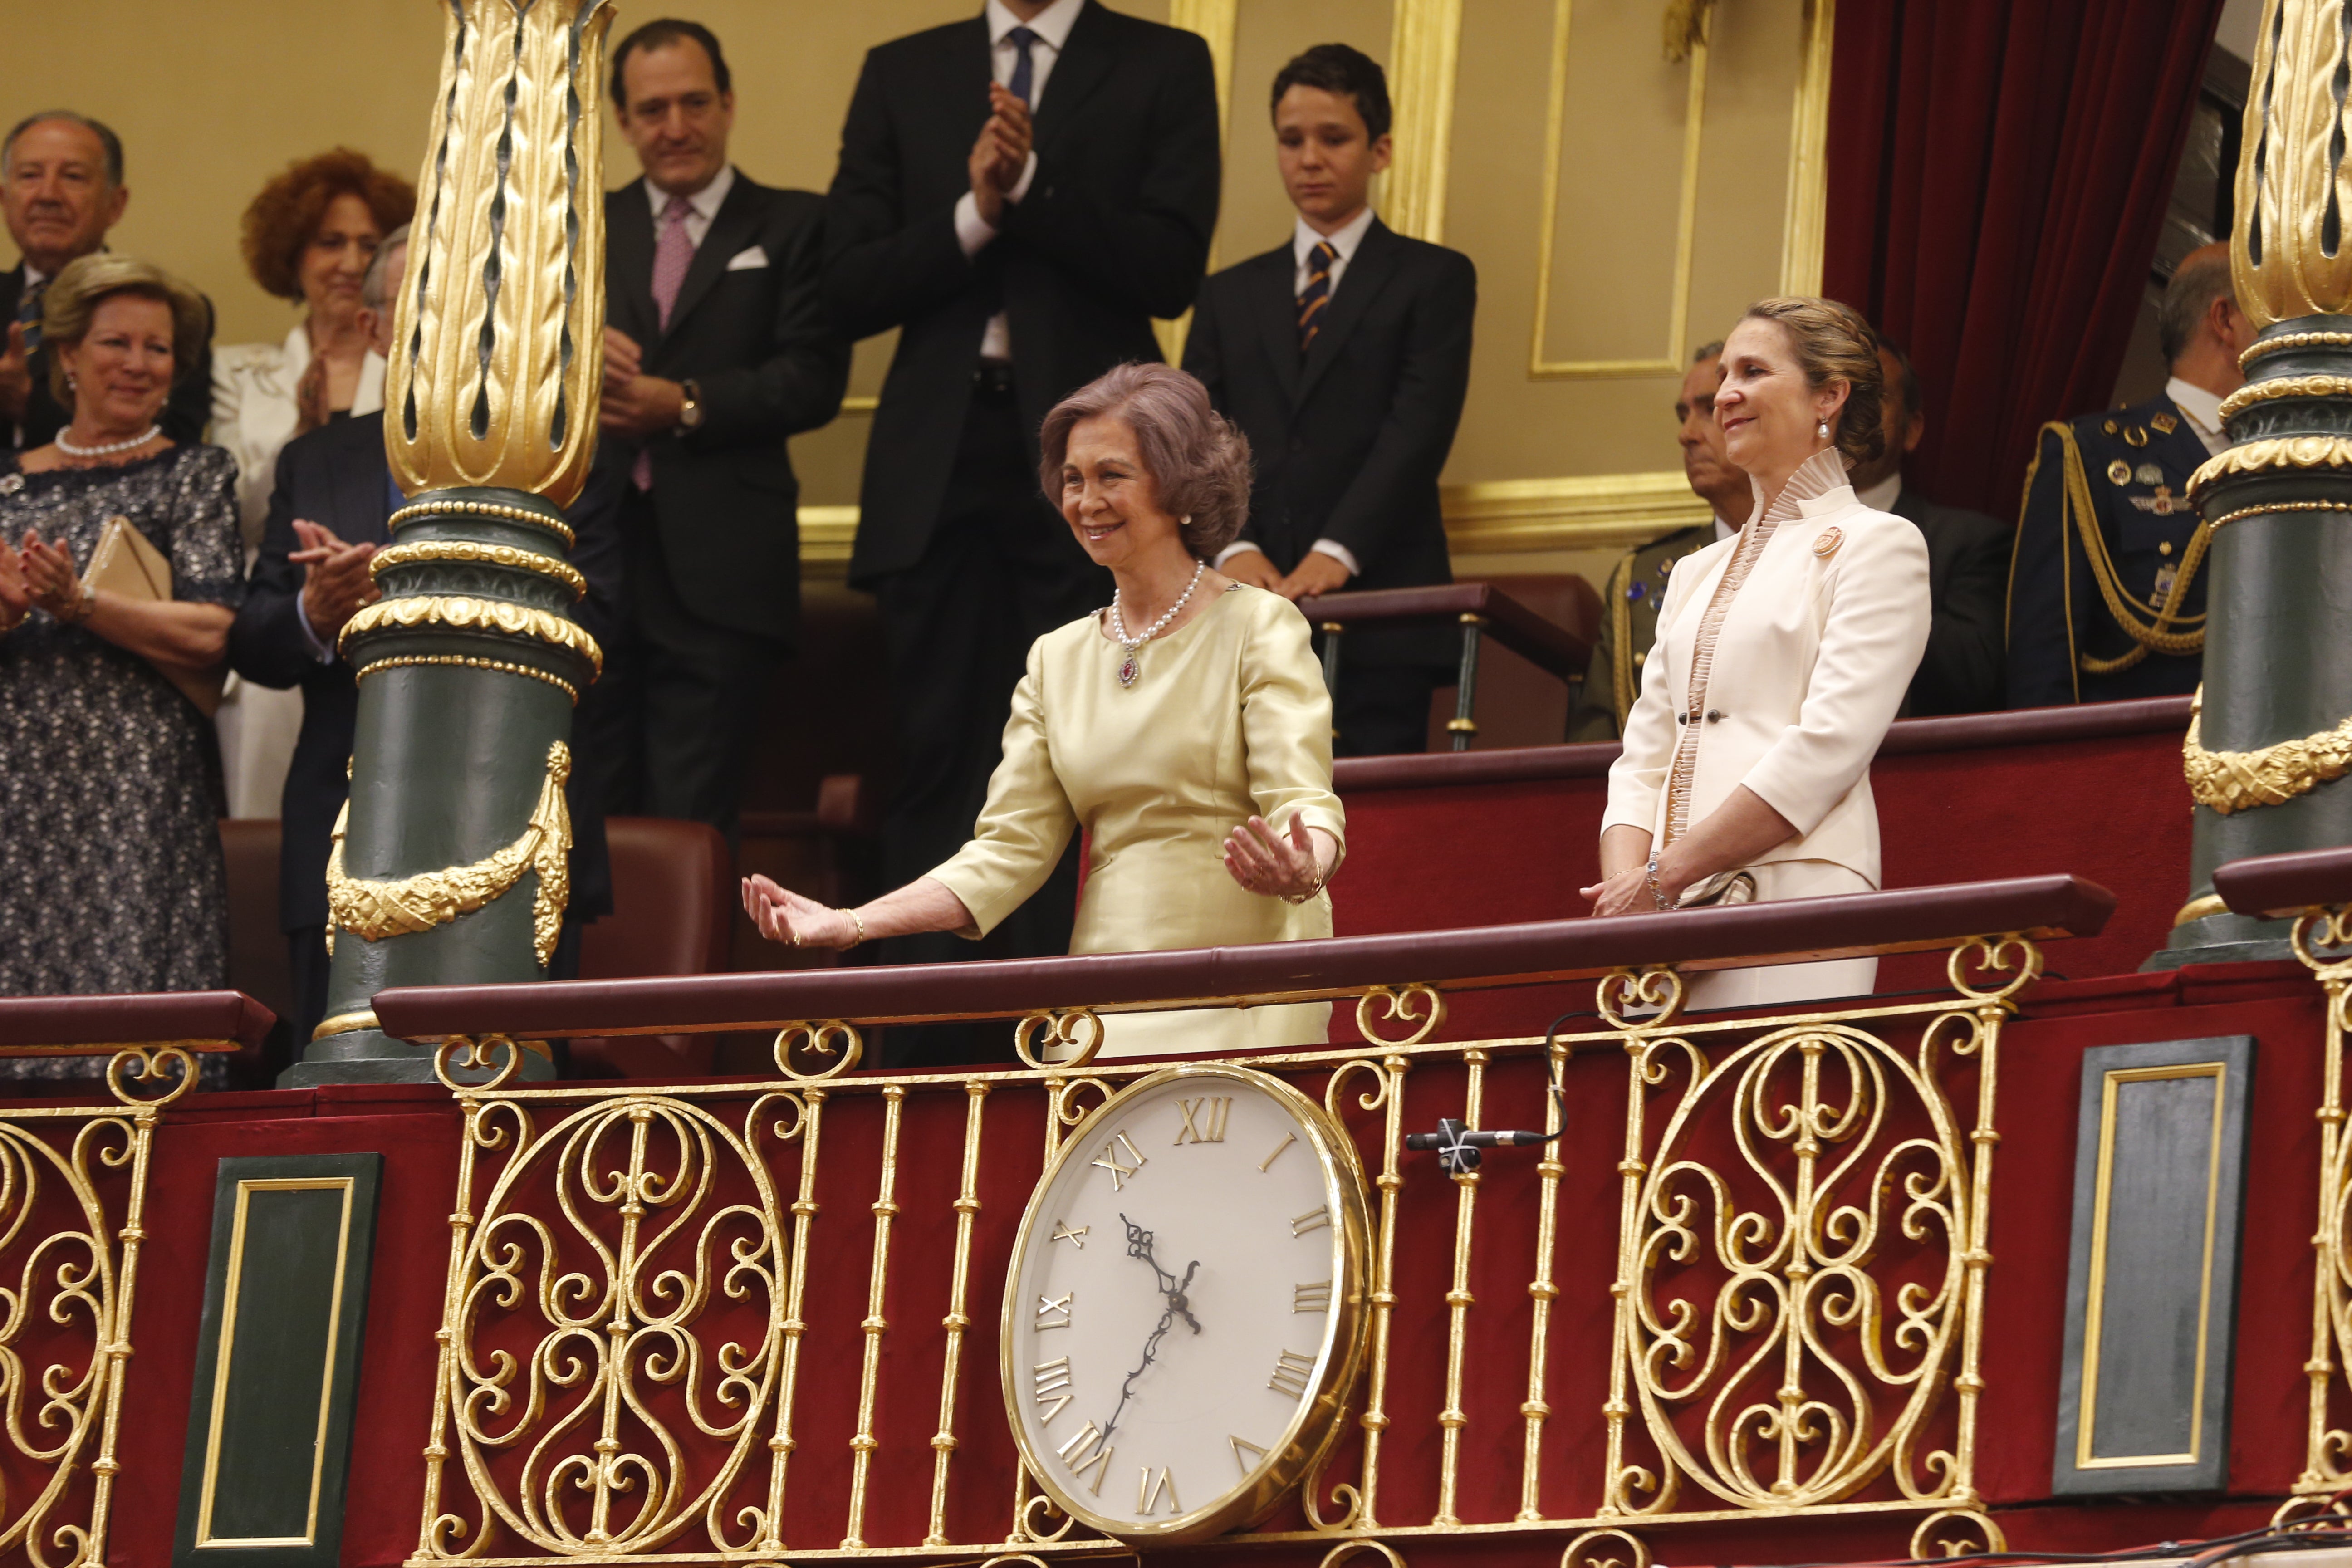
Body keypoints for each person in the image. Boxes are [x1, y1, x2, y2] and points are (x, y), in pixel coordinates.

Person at [742, 364, 1343, 1060]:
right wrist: (852, 924)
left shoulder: (1260, 627)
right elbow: (1006, 853)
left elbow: (1304, 802)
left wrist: (1307, 866)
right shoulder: (1055, 659)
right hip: (1109, 995)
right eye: (1073, 479)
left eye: (1113, 475)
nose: (1087, 501)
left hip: (1249, 981)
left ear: (1183, 486)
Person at [825, 0, 1223, 975]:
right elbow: (845, 283)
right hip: (937, 461)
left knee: (1083, 755)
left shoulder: (1164, 61)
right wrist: (976, 213)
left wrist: (1034, 184)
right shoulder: (903, 69)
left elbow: (1169, 269)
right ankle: (918, 1049)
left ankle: (1055, 1027)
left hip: (1094, 465)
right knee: (935, 757)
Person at [227, 228, 623, 1055]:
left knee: (514, 1092)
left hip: (520, 824)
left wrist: (407, 605)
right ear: (374, 330)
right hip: (341, 825)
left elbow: (605, 623)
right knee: (334, 1092)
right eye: (421, 305)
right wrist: (316, 609)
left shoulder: (562, 458)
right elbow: (255, 641)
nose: (451, 325)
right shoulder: (317, 459)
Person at [1584, 298, 1930, 1011]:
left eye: (1753, 371)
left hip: (1797, 893)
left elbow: (1830, 745)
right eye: (1725, 378)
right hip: (1661, 922)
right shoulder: (1693, 572)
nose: (1727, 394)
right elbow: (1642, 756)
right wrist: (1630, 907)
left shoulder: (1880, 543)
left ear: (1829, 396)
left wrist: (1662, 878)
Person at [583, 18, 849, 848]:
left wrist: (686, 402)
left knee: (689, 823)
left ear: (728, 104)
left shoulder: (795, 224)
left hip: (722, 578)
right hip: (590, 566)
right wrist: (565, 355)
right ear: (622, 122)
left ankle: (676, 984)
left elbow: (812, 378)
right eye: (651, 109)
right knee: (579, 825)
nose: (674, 127)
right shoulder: (580, 226)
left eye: (693, 103)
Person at [1182, 44, 1475, 757]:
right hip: (1243, 599)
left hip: (1377, 602)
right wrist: (1234, 543)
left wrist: (1336, 552)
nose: (1309, 158)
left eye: (1333, 138)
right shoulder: (1229, 292)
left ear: (1379, 151)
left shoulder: (1433, 278)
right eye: (1291, 140)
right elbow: (1196, 432)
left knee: (1371, 825)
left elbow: (1418, 428)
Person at [0, 255, 241, 1078]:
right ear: (66, 354)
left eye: (159, 348)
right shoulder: (7, 488)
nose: (139, 363)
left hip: (137, 786)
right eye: (116, 343)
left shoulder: (195, 475)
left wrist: (79, 606)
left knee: (130, 1031)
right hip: (16, 786)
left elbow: (211, 632)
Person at [210, 149, 415, 820]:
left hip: (400, 644)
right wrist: (301, 435)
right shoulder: (240, 374)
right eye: (330, 242)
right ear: (292, 254)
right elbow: (226, 514)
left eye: (366, 243)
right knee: (275, 823)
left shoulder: (418, 368)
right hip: (290, 627)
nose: (350, 262)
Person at [2006, 241, 2247, 707]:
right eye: (2275, 313)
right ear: (2226, 321)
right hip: (2144, 764)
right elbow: (2043, 661)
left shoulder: (2290, 459)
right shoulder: (2091, 454)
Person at [0, 112, 212, 451]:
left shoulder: (163, 310)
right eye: (29, 176)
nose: (48, 195)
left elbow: (174, 443)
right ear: (4, 197)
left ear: (116, 204)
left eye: (72, 177)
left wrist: (28, 404)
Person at [1568, 340, 1741, 742]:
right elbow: (1598, 738)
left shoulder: (1830, 549)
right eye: (1683, 415)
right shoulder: (1643, 573)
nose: (1686, 435)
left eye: (1710, 410)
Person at [1847, 339, 2009, 717]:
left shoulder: (1971, 542)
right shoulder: (1775, 537)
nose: (1853, 411)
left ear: (1912, 429)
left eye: (1874, 395)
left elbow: (1973, 679)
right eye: (1840, 394)